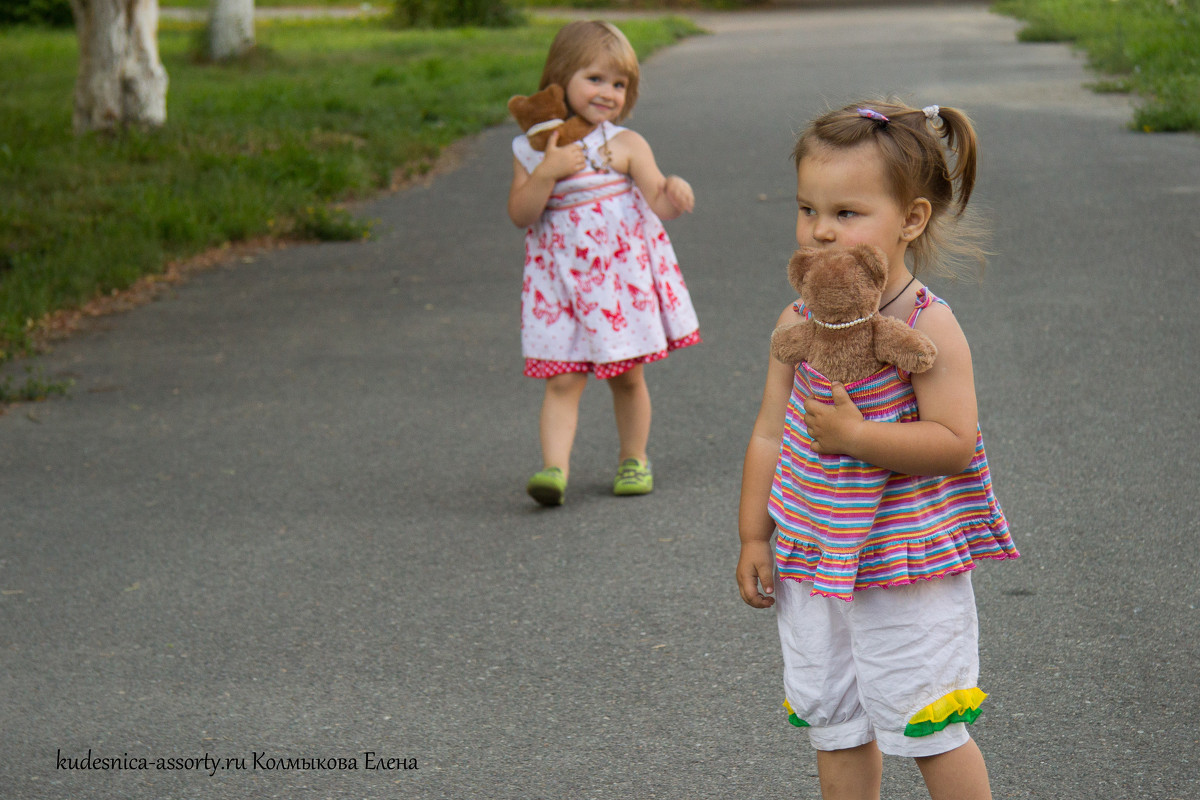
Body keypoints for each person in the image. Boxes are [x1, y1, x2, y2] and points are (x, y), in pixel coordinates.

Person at [736, 100, 1020, 800]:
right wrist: (753, 534)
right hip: (815, 556)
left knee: (928, 726)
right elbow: (770, 430)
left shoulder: (931, 327)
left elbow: (954, 444)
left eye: (847, 213)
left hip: (903, 564)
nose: (822, 231)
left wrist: (858, 436)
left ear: (912, 220)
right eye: (809, 210)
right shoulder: (797, 322)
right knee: (836, 724)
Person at [508, 20, 700, 507]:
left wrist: (673, 193)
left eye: (619, 84)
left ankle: (634, 457)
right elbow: (521, 214)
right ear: (560, 78)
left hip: (618, 284)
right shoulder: (533, 148)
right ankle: (554, 468)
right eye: (595, 79)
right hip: (561, 287)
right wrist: (547, 172)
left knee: (627, 375)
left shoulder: (627, 144)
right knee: (564, 378)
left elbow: (656, 198)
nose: (608, 92)